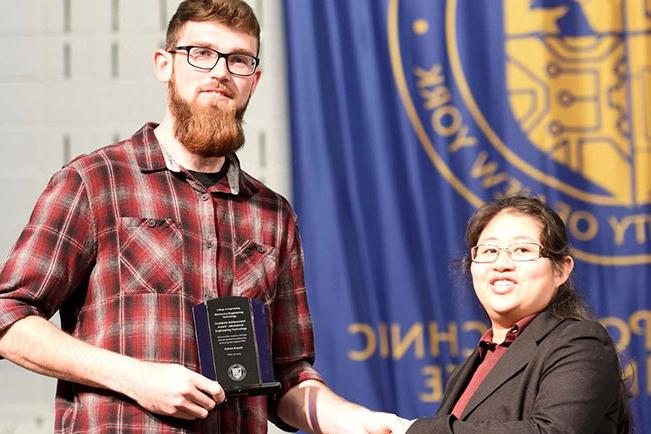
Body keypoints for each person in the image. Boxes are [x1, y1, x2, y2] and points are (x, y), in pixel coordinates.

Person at [0, 1, 408, 433]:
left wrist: (353, 420)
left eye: (238, 60)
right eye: (201, 53)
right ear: (165, 65)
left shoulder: (273, 215)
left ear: (255, 79)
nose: (220, 72)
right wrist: (136, 378)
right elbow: (9, 316)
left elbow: (287, 376)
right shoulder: (95, 182)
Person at [396, 195, 633, 433]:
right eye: (489, 250)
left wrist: (409, 429)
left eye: (521, 249)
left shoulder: (581, 342)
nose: (501, 264)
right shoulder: (473, 364)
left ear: (561, 270)